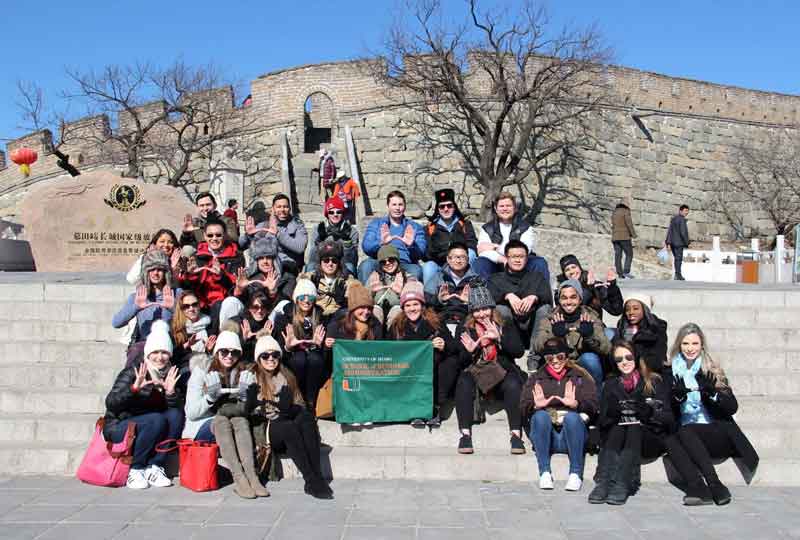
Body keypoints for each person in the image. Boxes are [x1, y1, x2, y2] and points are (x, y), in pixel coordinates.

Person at [668, 323, 758, 506]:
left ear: (702, 345)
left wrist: (713, 394)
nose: (690, 348)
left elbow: (732, 407)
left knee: (684, 432)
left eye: (695, 343)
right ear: (679, 345)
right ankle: (699, 488)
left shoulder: (711, 369)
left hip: (716, 433)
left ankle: (715, 484)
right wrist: (676, 398)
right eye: (685, 344)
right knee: (670, 439)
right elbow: (667, 413)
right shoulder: (670, 373)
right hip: (688, 435)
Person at [246, 335, 334, 499]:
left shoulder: (286, 375)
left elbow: (299, 403)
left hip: (290, 425)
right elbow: (252, 411)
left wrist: (292, 409)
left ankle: (317, 478)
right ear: (258, 358)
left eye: (275, 355)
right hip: (268, 429)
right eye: (265, 355)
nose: (271, 359)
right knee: (287, 425)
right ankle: (311, 479)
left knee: (306, 418)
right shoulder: (252, 377)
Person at [589, 339, 673, 505]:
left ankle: (622, 482)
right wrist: (612, 414)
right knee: (621, 427)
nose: (624, 362)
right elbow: (603, 421)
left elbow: (668, 418)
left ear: (635, 357)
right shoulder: (611, 384)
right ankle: (604, 482)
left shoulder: (653, 381)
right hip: (618, 436)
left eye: (628, 357)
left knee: (633, 427)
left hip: (649, 438)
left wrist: (648, 413)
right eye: (619, 359)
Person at [103, 321, 184, 490]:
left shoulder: (171, 374)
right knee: (155, 419)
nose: (160, 357)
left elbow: (173, 409)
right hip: (121, 426)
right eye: (155, 352)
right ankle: (136, 468)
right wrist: (133, 390)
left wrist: (170, 394)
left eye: (164, 352)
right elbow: (111, 403)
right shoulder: (134, 371)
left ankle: (155, 466)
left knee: (176, 414)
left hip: (152, 425)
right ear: (147, 354)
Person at [454, 283, 526, 455]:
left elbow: (518, 351)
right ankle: (465, 434)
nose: (482, 314)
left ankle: (515, 434)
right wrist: (471, 351)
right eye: (477, 310)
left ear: (492, 308)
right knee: (463, 381)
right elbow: (461, 362)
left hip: (500, 371)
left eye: (485, 309)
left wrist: (500, 339)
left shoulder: (505, 324)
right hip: (477, 372)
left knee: (514, 383)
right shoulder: (465, 329)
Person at [521, 337, 598, 491]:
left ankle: (575, 473)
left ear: (566, 356)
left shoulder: (580, 376)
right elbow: (523, 406)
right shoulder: (536, 378)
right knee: (540, 416)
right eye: (550, 358)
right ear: (545, 359)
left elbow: (594, 405)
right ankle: (544, 472)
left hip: (572, 436)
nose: (555, 361)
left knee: (572, 417)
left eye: (560, 357)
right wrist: (536, 405)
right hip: (546, 437)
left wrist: (577, 404)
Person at [201, 331, 268, 499]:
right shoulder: (207, 370)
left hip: (239, 415)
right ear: (217, 352)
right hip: (212, 419)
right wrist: (211, 396)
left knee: (240, 421)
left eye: (234, 352)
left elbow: (248, 406)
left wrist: (246, 396)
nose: (229, 356)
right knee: (222, 422)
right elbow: (200, 408)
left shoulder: (245, 371)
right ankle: (239, 478)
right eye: (224, 351)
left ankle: (252, 476)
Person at [388, 281, 458, 427]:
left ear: (422, 306)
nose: (412, 309)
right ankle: (415, 409)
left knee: (449, 364)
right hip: (408, 370)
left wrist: (443, 345)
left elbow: (454, 347)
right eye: (407, 305)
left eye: (416, 304)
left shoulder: (435, 322)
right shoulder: (397, 326)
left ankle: (435, 407)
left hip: (434, 367)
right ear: (402, 308)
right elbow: (389, 350)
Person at [533, 279, 611, 393]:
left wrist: (590, 335)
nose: (568, 302)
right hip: (559, 363)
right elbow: (537, 346)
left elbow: (607, 348)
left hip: (582, 364)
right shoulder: (550, 318)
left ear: (580, 299)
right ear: (559, 300)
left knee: (590, 359)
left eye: (573, 297)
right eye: (564, 298)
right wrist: (555, 336)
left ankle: (597, 398)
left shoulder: (590, 316)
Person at [113, 250, 180, 366]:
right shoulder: (138, 296)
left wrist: (173, 308)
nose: (155, 273)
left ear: (166, 272)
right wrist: (136, 307)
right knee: (136, 351)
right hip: (144, 345)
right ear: (146, 272)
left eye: (159, 269)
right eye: (151, 269)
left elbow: (191, 322)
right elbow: (116, 322)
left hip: (171, 344)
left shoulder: (176, 293)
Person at [488, 240, 552, 353]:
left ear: (527, 258)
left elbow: (548, 296)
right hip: (510, 329)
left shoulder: (537, 277)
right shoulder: (496, 278)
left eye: (521, 256)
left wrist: (534, 296)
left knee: (545, 308)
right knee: (500, 309)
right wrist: (507, 295)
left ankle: (535, 354)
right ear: (507, 258)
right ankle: (510, 351)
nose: (517, 260)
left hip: (532, 326)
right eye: (513, 256)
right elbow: (488, 298)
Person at [273, 279, 328, 409]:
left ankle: (311, 400)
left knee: (315, 360)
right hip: (292, 358)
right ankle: (299, 398)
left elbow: (325, 353)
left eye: (310, 297)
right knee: (299, 359)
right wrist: (288, 347)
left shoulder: (321, 317)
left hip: (314, 359)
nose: (306, 300)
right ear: (296, 299)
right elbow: (279, 351)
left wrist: (318, 345)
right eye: (302, 297)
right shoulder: (284, 318)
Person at [474, 191, 549, 282]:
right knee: (480, 263)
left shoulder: (525, 228)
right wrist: (503, 260)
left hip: (520, 264)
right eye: (501, 206)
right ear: (496, 209)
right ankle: (482, 294)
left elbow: (523, 251)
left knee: (539, 263)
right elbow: (483, 252)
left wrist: (495, 247)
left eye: (508, 206)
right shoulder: (487, 228)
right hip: (496, 265)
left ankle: (541, 295)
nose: (505, 209)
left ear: (515, 208)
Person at [179, 218, 242, 324]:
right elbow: (187, 288)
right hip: (201, 305)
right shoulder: (197, 257)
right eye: (210, 235)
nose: (214, 238)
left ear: (225, 235)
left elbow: (236, 286)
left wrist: (221, 275)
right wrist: (191, 276)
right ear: (204, 236)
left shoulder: (236, 256)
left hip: (225, 305)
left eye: (218, 235)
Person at [359, 190, 426, 284]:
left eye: (400, 204)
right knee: (366, 266)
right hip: (381, 261)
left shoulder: (415, 227)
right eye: (394, 204)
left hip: (404, 263)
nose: (397, 208)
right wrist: (381, 243)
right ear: (388, 206)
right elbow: (366, 246)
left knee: (416, 271)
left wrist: (411, 245)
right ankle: (366, 297)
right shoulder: (376, 224)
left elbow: (421, 252)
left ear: (405, 206)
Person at [232, 235, 296, 324]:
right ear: (256, 261)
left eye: (268, 257)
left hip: (274, 320)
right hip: (252, 317)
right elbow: (241, 303)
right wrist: (239, 289)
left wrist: (272, 292)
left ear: (275, 259)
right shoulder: (250, 279)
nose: (265, 261)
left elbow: (286, 305)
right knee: (230, 301)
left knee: (284, 304)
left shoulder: (288, 278)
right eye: (261, 258)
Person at [241, 194, 308, 276]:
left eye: (285, 207)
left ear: (289, 208)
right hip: (265, 268)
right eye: (279, 207)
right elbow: (241, 245)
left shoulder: (298, 225)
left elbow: (300, 247)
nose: (282, 210)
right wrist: (248, 235)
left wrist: (278, 234)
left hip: (287, 268)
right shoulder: (264, 225)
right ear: (273, 209)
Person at [422, 188, 478, 286]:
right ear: (438, 209)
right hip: (439, 263)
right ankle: (430, 297)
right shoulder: (430, 228)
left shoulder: (465, 224)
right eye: (442, 206)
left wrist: (457, 256)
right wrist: (447, 256)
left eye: (449, 205)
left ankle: (469, 288)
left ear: (454, 207)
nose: (446, 209)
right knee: (428, 267)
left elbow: (472, 243)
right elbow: (427, 252)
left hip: (461, 262)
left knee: (472, 254)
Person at [424, 242, 482, 329]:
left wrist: (470, 301)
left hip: (468, 320)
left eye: (462, 257)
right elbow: (426, 302)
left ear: (468, 259)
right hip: (442, 320)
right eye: (455, 257)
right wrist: (439, 300)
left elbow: (485, 306)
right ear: (448, 259)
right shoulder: (437, 278)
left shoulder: (477, 280)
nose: (458, 261)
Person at [556, 254, 623, 328]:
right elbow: (573, 309)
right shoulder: (560, 292)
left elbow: (616, 310)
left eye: (573, 267)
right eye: (567, 270)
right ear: (564, 274)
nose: (571, 271)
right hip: (570, 329)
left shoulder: (596, 286)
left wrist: (612, 288)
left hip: (596, 328)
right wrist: (588, 289)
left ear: (580, 268)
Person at [303, 239, 355, 322]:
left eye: (334, 261)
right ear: (320, 262)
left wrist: (343, 301)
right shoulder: (310, 277)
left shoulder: (348, 280)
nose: (330, 264)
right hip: (316, 318)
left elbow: (356, 303)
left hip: (338, 319)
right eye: (326, 260)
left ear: (339, 263)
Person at [367, 244, 418, 328]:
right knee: (375, 310)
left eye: (391, 260)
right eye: (383, 262)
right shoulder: (374, 277)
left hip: (398, 316)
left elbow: (415, 302)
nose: (388, 263)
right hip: (378, 315)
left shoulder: (408, 278)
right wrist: (372, 291)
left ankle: (394, 339)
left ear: (397, 260)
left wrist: (400, 292)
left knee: (397, 311)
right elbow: (363, 300)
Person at [615, 294, 668, 373]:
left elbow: (658, 360)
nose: (631, 312)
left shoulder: (657, 328)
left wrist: (637, 337)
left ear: (644, 309)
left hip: (650, 372)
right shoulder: (624, 328)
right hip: (626, 371)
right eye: (627, 309)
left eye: (636, 308)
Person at [306, 197, 359, 275]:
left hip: (342, 263)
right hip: (323, 262)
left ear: (343, 213)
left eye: (338, 212)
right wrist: (320, 240)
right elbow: (312, 257)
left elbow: (353, 259)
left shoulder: (351, 231)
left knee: (350, 266)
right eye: (331, 212)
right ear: (327, 214)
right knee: (311, 266)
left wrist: (347, 241)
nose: (335, 215)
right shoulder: (317, 229)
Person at [171, 291, 216, 372]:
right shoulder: (175, 327)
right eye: (186, 306)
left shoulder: (210, 324)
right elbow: (171, 356)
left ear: (199, 305)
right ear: (181, 308)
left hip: (208, 363)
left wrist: (208, 350)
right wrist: (186, 345)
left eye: (194, 304)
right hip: (185, 367)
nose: (191, 309)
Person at [611, 201, 637, 279]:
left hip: (615, 237)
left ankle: (619, 273)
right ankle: (626, 271)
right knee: (629, 254)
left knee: (618, 255)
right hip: (624, 236)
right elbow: (629, 223)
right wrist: (633, 235)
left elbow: (612, 224)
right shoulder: (626, 211)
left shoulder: (614, 212)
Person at [666, 204, 690, 281]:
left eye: (687, 211)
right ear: (680, 211)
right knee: (678, 259)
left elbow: (669, 231)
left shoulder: (673, 219)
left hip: (673, 243)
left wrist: (668, 242)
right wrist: (687, 242)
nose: (687, 212)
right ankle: (678, 275)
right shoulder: (682, 219)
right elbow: (683, 232)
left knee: (676, 259)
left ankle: (677, 274)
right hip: (679, 243)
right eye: (685, 211)